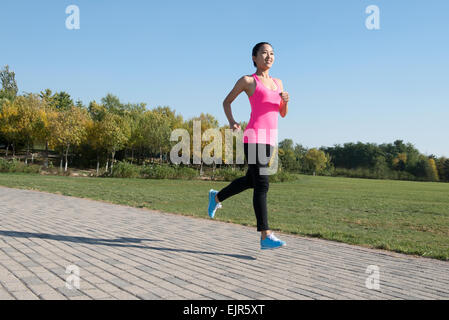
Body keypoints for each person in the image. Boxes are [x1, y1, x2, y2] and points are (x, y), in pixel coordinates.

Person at [207, 42, 290, 250]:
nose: (268, 56)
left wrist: (285, 101)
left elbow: (282, 113)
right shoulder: (247, 81)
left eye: (272, 53)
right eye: (264, 53)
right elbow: (226, 102)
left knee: (250, 181)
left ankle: (216, 196)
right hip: (253, 137)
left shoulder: (278, 83)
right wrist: (232, 121)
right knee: (262, 184)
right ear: (254, 57)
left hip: (270, 140)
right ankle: (265, 235)